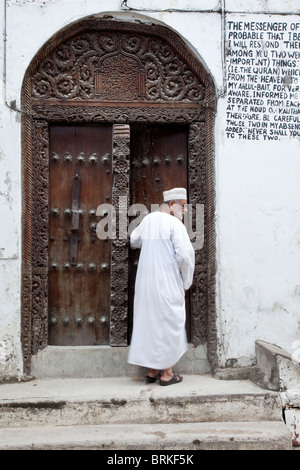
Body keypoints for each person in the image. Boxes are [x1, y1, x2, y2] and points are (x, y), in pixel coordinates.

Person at [128, 188, 195, 386]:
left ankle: (151, 371)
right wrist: (186, 282)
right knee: (169, 322)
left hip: (146, 284)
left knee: (150, 323)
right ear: (172, 205)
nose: (185, 211)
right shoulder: (175, 224)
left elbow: (134, 241)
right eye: (183, 206)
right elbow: (185, 256)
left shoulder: (149, 220)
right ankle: (167, 373)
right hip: (167, 283)